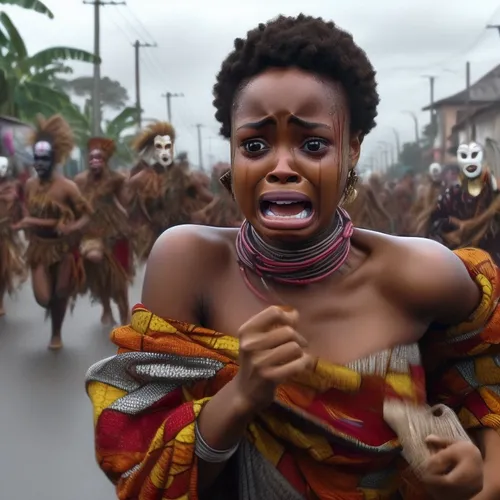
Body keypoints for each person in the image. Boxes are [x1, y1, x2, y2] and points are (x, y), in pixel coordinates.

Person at [86, 15, 500, 500]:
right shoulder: (188, 263)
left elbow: (484, 366)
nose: (282, 167)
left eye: (313, 144)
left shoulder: (420, 273)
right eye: (255, 144)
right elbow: (142, 473)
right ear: (234, 156)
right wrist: (241, 394)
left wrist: (484, 476)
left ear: (352, 151)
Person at [15, 114, 91, 350]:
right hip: (39, 248)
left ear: (55, 158)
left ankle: (56, 333)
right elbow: (27, 207)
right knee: (43, 298)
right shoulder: (30, 185)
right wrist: (27, 223)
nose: (39, 163)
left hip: (63, 249)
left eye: (44, 158)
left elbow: (87, 215)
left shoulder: (68, 187)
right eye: (36, 158)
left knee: (60, 293)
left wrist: (71, 227)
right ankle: (52, 313)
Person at [127, 123, 213, 261]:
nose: (164, 151)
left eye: (168, 146)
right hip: (154, 238)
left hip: (182, 233)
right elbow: (126, 207)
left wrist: (202, 213)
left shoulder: (186, 177)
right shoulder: (141, 179)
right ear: (152, 150)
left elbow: (210, 200)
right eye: (159, 147)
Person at [75, 137, 132, 326]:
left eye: (98, 158)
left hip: (115, 232)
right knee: (98, 269)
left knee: (119, 275)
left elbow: (124, 203)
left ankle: (125, 313)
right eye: (91, 158)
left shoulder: (116, 179)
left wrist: (129, 185)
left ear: (106, 160)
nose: (94, 162)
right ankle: (106, 307)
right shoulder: (80, 180)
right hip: (92, 231)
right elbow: (75, 205)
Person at [428, 142, 500, 265]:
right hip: (459, 261)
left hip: (491, 260)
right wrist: (449, 231)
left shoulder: (493, 193)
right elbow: (433, 222)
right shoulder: (452, 194)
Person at [0, 151, 26, 316]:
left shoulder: (12, 187)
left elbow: (14, 201)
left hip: (4, 235)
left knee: (2, 270)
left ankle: (0, 301)